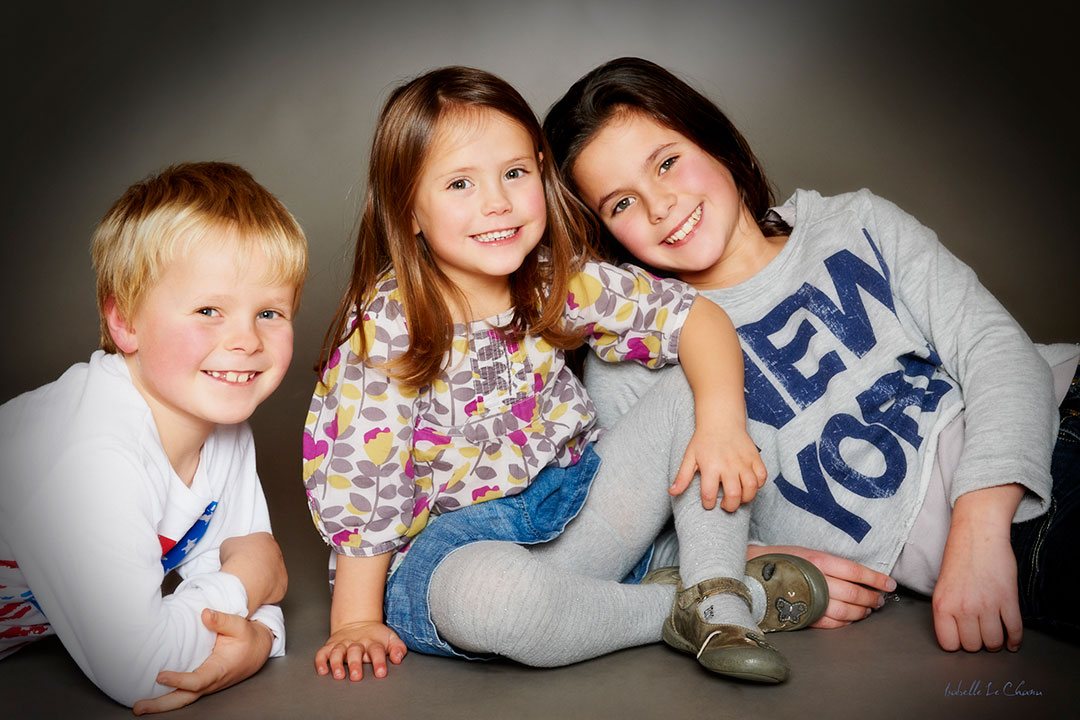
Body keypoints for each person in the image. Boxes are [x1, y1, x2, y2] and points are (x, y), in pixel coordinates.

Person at [304, 65, 829, 686]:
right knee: (490, 601)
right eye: (460, 184)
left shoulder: (556, 281)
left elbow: (696, 318)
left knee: (695, 385)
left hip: (583, 516)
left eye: (515, 173)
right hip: (461, 556)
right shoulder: (389, 329)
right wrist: (355, 620)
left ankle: (717, 593)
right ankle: (678, 607)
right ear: (408, 211)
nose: (496, 202)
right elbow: (365, 487)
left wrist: (721, 422)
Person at [543, 56, 1080, 655]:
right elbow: (630, 537)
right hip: (1018, 533)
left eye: (668, 162)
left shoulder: (856, 221)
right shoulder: (631, 357)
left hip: (1038, 437)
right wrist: (755, 560)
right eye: (620, 203)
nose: (661, 205)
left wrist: (979, 532)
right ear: (604, 234)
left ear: (714, 140)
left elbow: (999, 352)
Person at [0, 161, 308, 713]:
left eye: (269, 312)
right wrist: (249, 587)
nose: (245, 340)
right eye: (208, 310)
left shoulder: (224, 424)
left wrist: (259, 637)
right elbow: (143, 667)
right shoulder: (92, 452)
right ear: (125, 322)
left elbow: (245, 572)